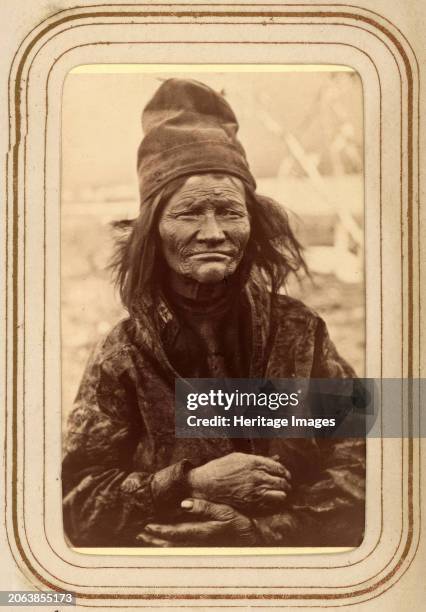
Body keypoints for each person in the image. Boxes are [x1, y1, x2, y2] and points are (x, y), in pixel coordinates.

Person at [62, 79, 365, 548]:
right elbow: (74, 504)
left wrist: (261, 534)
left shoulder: (300, 334)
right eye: (188, 213)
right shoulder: (123, 356)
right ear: (153, 233)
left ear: (253, 222)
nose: (213, 232)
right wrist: (187, 484)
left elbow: (365, 465)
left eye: (228, 211)